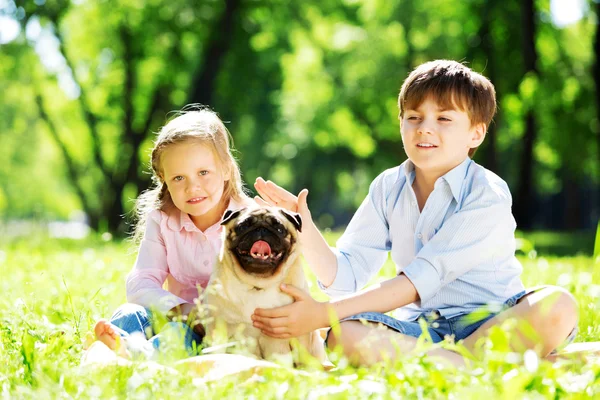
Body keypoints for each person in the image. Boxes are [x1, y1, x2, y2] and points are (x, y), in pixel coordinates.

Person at [251, 60, 579, 367]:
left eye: (444, 119)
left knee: (558, 305)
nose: (424, 128)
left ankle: (455, 363)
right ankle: (465, 365)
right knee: (344, 333)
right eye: (414, 117)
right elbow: (346, 277)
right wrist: (303, 228)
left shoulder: (486, 192)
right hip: (421, 329)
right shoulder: (388, 187)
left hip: (493, 321)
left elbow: (416, 281)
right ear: (401, 123)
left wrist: (322, 315)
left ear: (475, 133)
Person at [92, 107, 251, 359]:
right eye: (178, 178)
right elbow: (140, 283)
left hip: (221, 331)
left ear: (226, 169)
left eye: (203, 172)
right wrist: (184, 309)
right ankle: (111, 352)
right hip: (173, 313)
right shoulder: (163, 220)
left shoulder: (250, 222)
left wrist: (204, 318)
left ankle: (136, 355)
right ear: (163, 178)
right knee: (128, 313)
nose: (192, 187)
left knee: (177, 335)